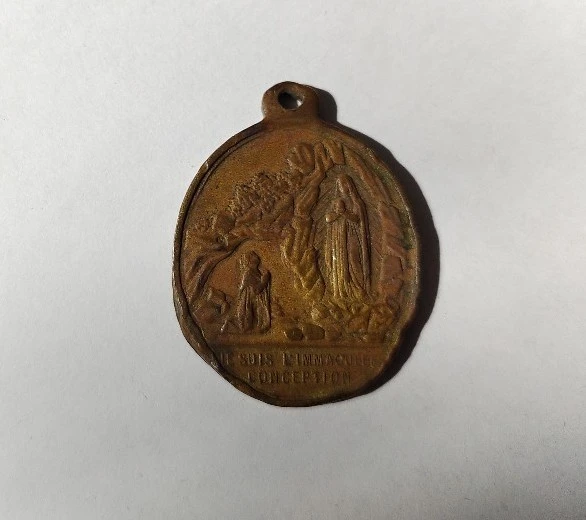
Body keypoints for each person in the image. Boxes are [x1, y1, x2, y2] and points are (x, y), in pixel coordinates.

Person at [324, 174, 370, 303]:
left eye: (343, 184)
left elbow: (358, 220)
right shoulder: (335, 202)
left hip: (352, 235)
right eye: (339, 184)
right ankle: (342, 290)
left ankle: (358, 288)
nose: (341, 187)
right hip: (337, 238)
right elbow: (327, 218)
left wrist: (344, 213)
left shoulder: (357, 203)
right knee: (339, 261)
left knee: (354, 260)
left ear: (349, 185)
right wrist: (337, 214)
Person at [234, 251, 271, 333]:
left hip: (256, 302)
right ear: (249, 260)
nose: (257, 257)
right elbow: (256, 291)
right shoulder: (248, 273)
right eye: (253, 256)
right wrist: (264, 280)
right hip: (251, 303)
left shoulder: (256, 272)